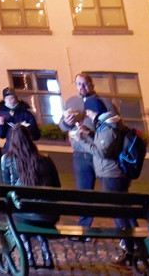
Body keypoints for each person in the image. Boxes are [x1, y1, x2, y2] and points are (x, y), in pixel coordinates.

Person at [74, 110, 138, 265]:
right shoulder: (110, 128)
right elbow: (101, 142)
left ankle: (130, 249)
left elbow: (101, 151)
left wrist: (80, 140)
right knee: (124, 211)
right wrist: (88, 133)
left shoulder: (110, 129)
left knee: (119, 213)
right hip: (112, 175)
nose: (89, 115)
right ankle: (136, 245)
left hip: (111, 176)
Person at [0, 125, 60, 267]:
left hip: (23, 213)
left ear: (11, 141)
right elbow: (57, 188)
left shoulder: (7, 160)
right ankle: (46, 254)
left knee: (20, 213)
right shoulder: (45, 160)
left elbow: (6, 189)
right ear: (30, 139)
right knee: (32, 212)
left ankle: (29, 256)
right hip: (48, 216)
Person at [58, 73, 113, 226]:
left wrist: (91, 131)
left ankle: (123, 228)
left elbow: (113, 125)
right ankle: (84, 227)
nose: (82, 87)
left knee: (113, 192)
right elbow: (61, 125)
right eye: (78, 84)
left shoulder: (104, 102)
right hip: (80, 153)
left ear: (92, 85)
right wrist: (67, 124)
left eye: (85, 83)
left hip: (101, 153)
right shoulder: (71, 101)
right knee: (83, 192)